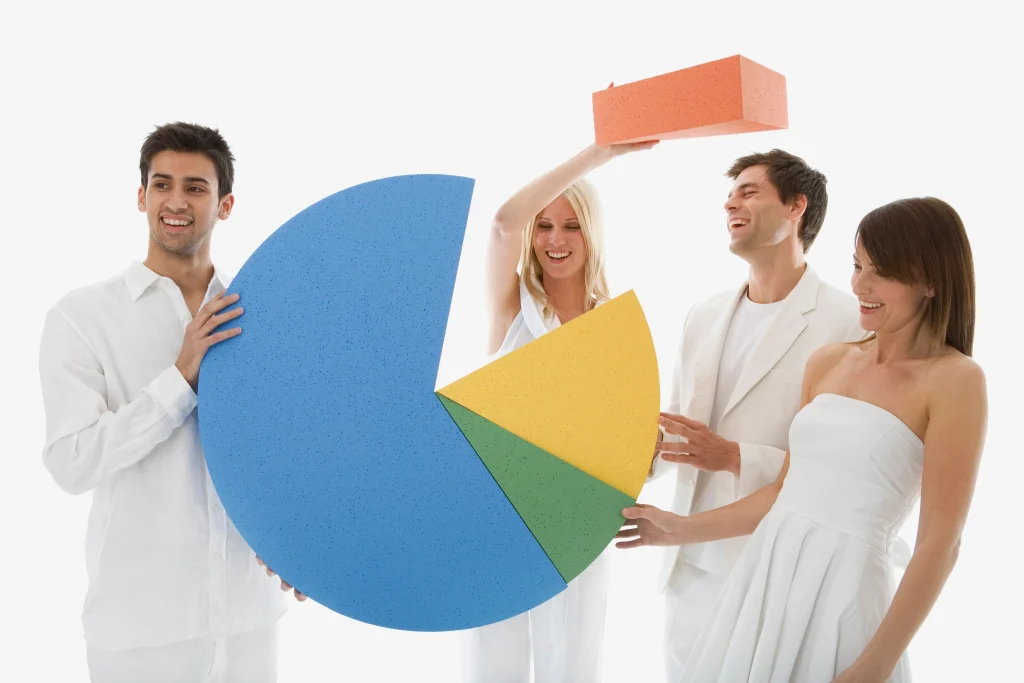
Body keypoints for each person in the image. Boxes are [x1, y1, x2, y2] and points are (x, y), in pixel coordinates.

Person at [620, 197, 986, 682]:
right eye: (857, 266)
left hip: (847, 598)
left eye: (882, 272)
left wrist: (874, 665)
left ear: (932, 281)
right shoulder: (829, 361)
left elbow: (940, 543)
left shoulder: (955, 380)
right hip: (765, 584)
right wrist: (676, 528)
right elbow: (783, 494)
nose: (860, 285)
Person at [38, 122, 300, 683]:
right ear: (142, 197)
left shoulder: (264, 316)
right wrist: (180, 377)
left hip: (250, 620)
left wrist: (301, 544)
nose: (176, 201)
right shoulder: (82, 318)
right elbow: (72, 461)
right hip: (140, 629)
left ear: (225, 205)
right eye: (162, 184)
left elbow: (285, 454)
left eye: (196, 188)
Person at [644, 149, 864, 679]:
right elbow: (674, 426)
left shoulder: (848, 320)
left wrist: (736, 458)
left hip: (775, 565)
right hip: (690, 571)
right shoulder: (703, 314)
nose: (731, 202)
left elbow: (846, 465)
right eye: (730, 194)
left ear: (796, 208)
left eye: (749, 191)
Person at [461, 139, 654, 683]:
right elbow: (502, 223)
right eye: (544, 225)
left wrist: (646, 449)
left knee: (571, 659)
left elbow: (631, 439)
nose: (555, 240)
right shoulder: (513, 304)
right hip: (498, 509)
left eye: (571, 226)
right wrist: (601, 153)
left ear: (592, 233)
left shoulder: (615, 327)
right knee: (493, 659)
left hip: (580, 512)